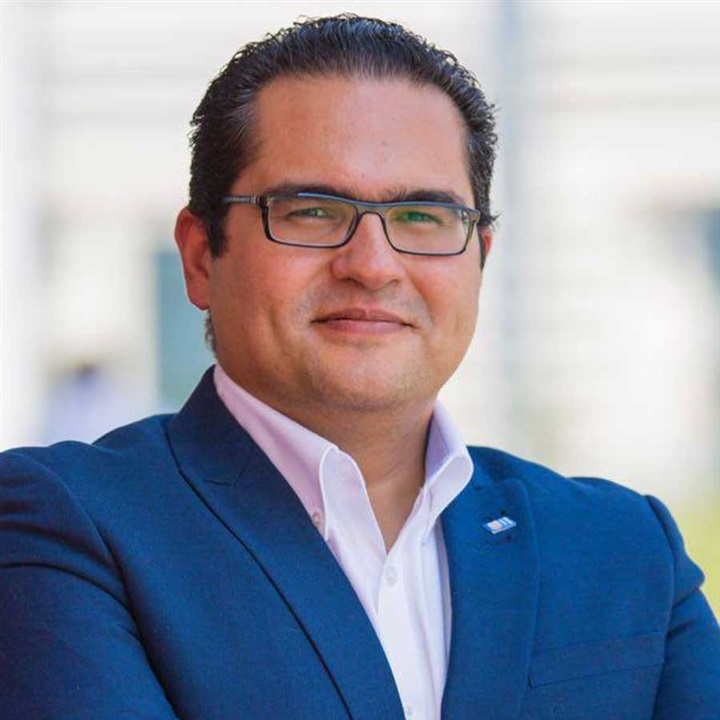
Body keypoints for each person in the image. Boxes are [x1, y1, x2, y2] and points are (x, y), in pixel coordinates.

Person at [1, 14, 718, 720]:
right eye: (312, 211)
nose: (373, 266)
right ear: (199, 258)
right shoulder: (64, 526)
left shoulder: (626, 550)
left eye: (421, 217)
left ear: (480, 261)